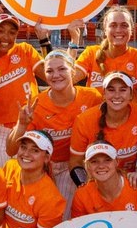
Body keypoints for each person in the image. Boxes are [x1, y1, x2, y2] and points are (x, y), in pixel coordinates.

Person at [9, 51, 101, 217]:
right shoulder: (36, 104)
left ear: (73, 71)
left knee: (68, 217)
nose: (56, 75)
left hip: (75, 165)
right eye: (50, 71)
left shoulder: (92, 97)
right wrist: (21, 124)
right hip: (44, 167)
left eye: (62, 69)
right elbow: (11, 150)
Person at [0, 13, 46, 166]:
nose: (6, 37)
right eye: (0, 30)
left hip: (30, 127)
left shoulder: (24, 50)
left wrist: (43, 39)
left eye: (12, 32)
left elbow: (50, 74)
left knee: (27, 182)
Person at [72, 8, 137, 103]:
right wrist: (74, 39)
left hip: (127, 115)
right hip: (95, 114)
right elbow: (69, 79)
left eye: (124, 25)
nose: (118, 30)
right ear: (105, 30)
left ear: (131, 30)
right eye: (113, 25)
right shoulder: (91, 53)